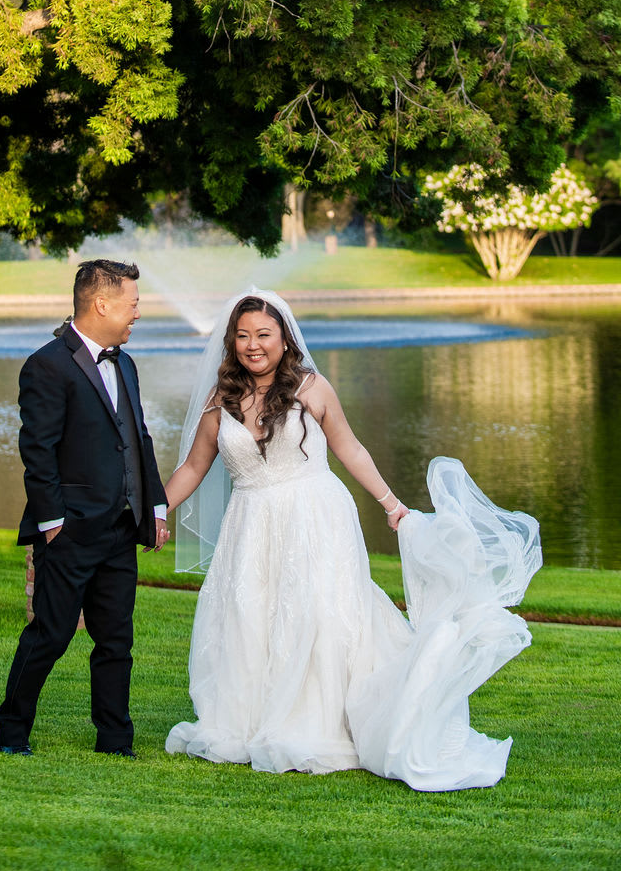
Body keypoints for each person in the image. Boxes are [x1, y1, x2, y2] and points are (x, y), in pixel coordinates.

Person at [161, 289, 542, 791]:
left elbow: (350, 448)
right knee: (253, 617)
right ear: (231, 341)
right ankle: (250, 721)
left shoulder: (314, 388)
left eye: (264, 335)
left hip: (316, 516)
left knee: (322, 614)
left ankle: (323, 723)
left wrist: (392, 505)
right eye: (244, 335)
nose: (253, 345)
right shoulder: (220, 402)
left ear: (284, 338)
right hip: (250, 524)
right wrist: (155, 511)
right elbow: (193, 467)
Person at [0, 259, 169, 757]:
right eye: (133, 304)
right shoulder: (46, 365)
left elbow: (138, 439)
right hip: (69, 532)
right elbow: (38, 451)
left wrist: (153, 505)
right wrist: (53, 524)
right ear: (101, 304)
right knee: (50, 635)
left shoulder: (126, 364)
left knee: (116, 642)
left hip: (120, 530)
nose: (138, 313)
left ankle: (115, 740)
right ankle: (12, 730)